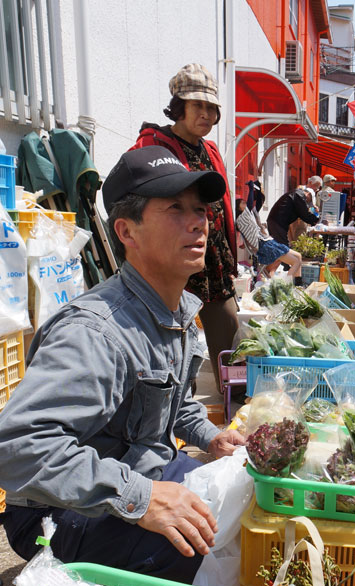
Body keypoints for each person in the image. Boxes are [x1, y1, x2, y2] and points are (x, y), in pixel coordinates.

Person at [0, 146, 248, 586]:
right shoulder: (97, 332)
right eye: (175, 210)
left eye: (200, 210)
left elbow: (171, 399)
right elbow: (14, 448)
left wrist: (210, 436)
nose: (198, 223)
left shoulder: (176, 311)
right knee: (199, 549)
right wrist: (141, 498)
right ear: (126, 231)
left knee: (241, 505)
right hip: (56, 512)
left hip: (135, 472)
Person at [129, 63, 239, 387]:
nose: (205, 114)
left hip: (212, 258)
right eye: (197, 105)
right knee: (176, 338)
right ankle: (176, 413)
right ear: (179, 106)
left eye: (211, 107)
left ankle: (234, 404)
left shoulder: (211, 150)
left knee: (229, 332)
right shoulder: (154, 145)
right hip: (173, 258)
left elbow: (225, 204)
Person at [234, 198, 302, 278]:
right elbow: (251, 201)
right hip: (265, 246)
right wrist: (251, 187)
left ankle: (297, 286)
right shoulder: (242, 218)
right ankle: (287, 285)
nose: (245, 203)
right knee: (296, 262)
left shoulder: (247, 217)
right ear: (238, 207)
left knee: (299, 256)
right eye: (242, 203)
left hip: (268, 243)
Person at [266, 176, 323, 244]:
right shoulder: (299, 194)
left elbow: (308, 211)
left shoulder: (301, 194)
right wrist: (317, 220)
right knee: (285, 245)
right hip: (282, 223)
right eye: (316, 186)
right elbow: (305, 214)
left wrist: (316, 215)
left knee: (283, 244)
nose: (317, 189)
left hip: (281, 222)